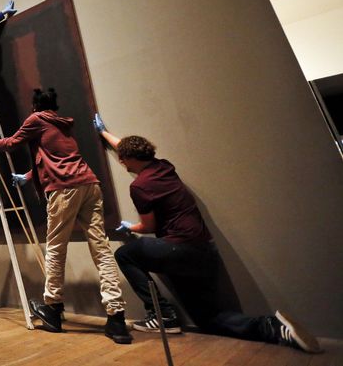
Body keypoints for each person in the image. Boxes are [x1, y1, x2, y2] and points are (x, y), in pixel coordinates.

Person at [93, 113, 321, 353]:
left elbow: (148, 227)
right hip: (203, 251)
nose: (122, 163)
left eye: (123, 159)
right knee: (210, 319)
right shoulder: (164, 166)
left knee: (125, 254)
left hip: (179, 249)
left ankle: (161, 316)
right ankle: (272, 327)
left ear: (130, 158)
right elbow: (129, 149)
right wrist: (103, 133)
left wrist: (130, 227)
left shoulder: (140, 186)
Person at [0, 88, 132, 344]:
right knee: (102, 250)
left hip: (64, 190)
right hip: (89, 185)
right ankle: (117, 319)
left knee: (56, 250)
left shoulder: (35, 120)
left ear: (35, 107)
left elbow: (13, 143)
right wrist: (28, 177)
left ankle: (52, 310)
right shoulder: (62, 125)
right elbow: (57, 157)